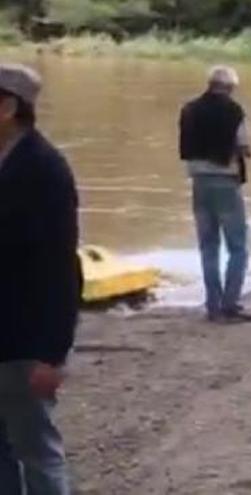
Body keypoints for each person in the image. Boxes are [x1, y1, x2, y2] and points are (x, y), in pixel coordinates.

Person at [0, 63, 81, 495]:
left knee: (38, 452)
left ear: (9, 108)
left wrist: (52, 354)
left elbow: (62, 269)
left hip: (25, 344)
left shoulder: (46, 171)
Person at [179, 65, 251, 323]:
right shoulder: (235, 112)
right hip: (226, 182)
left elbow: (185, 147)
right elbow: (246, 147)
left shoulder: (189, 109)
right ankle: (230, 304)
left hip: (198, 182)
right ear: (230, 87)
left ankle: (213, 306)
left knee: (208, 246)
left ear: (209, 84)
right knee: (238, 247)